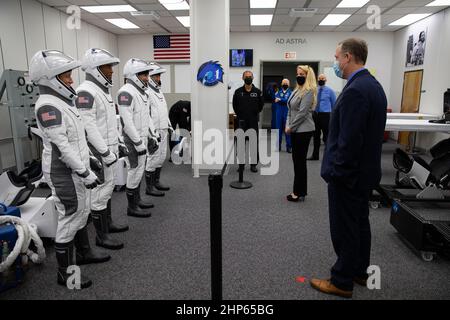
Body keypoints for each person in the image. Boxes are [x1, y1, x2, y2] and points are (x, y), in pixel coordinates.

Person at [311, 38, 387, 298]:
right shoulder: (372, 86)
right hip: (365, 174)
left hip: (349, 176)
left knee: (345, 227)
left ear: (348, 57)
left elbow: (350, 140)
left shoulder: (355, 90)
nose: (335, 63)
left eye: (336, 57)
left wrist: (338, 174)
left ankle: (342, 280)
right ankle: (359, 271)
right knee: (359, 224)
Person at [31, 50, 110, 289]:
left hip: (76, 169)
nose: (72, 81)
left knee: (81, 214)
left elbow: (77, 140)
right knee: (70, 216)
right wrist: (84, 172)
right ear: (50, 79)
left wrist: (90, 162)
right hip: (63, 173)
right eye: (66, 77)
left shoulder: (63, 104)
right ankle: (64, 274)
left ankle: (84, 254)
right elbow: (62, 147)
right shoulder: (48, 106)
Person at [76, 48, 127, 251]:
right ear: (95, 69)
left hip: (109, 147)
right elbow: (89, 127)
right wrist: (104, 152)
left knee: (107, 189)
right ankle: (101, 236)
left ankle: (109, 224)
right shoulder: (85, 92)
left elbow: (109, 124)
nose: (112, 71)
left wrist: (118, 143)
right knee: (98, 194)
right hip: (99, 150)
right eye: (107, 67)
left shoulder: (102, 91)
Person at [118, 59, 155, 218]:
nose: (147, 78)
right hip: (132, 141)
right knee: (134, 172)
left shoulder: (141, 92)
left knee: (139, 171)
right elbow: (127, 123)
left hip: (141, 139)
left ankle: (137, 200)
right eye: (143, 74)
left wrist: (151, 135)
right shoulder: (126, 92)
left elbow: (145, 118)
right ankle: (131, 207)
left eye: (147, 74)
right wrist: (138, 143)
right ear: (133, 75)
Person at [285, 65, 317, 202]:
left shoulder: (309, 91)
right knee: (297, 162)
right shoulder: (296, 90)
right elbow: (290, 110)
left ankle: (297, 192)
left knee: (299, 162)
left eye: (302, 74)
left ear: (308, 76)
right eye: (298, 73)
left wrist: (291, 127)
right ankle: (300, 191)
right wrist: (288, 124)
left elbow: (302, 113)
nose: (299, 76)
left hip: (303, 130)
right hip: (295, 130)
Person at [145, 62, 173, 197]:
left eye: (159, 76)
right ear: (150, 77)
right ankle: (149, 187)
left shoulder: (159, 92)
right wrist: (152, 134)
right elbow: (147, 116)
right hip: (154, 132)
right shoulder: (146, 93)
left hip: (164, 129)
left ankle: (156, 181)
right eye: (156, 76)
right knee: (153, 158)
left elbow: (164, 112)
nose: (158, 78)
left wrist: (169, 126)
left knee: (161, 157)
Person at [232, 70, 264, 173]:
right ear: (243, 78)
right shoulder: (237, 92)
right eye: (246, 76)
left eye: (250, 76)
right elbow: (234, 105)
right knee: (240, 144)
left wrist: (253, 114)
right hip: (241, 122)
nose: (248, 78)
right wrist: (241, 115)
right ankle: (241, 165)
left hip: (253, 122)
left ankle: (253, 165)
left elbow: (261, 106)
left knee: (253, 143)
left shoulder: (258, 92)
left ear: (253, 78)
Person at [308, 74, 336, 160]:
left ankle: (329, 156)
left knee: (326, 137)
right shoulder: (314, 90)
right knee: (316, 136)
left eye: (322, 78)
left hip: (325, 115)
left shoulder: (330, 91)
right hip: (315, 115)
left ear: (326, 80)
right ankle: (315, 155)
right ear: (317, 80)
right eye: (319, 78)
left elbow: (334, 104)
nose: (321, 80)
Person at [275, 79, 292, 153]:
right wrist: (282, 100)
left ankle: (289, 147)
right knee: (278, 130)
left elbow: (288, 101)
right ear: (281, 84)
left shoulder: (291, 92)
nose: (285, 84)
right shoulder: (278, 92)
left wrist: (280, 99)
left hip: (287, 113)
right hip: (279, 113)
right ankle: (278, 147)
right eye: (284, 83)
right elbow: (276, 99)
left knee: (287, 131)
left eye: (286, 83)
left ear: (289, 84)